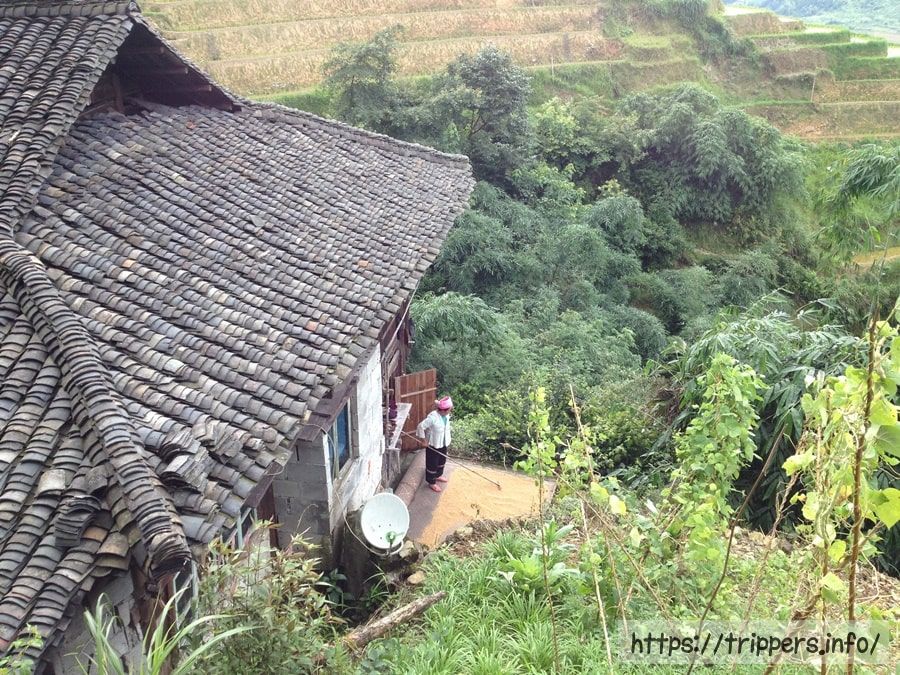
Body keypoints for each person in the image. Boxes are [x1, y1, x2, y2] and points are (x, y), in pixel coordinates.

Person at [416, 396, 453, 492]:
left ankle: (438, 475)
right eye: (450, 409)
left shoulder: (446, 415)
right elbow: (420, 427)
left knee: (441, 461)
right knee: (432, 463)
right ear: (444, 410)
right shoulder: (433, 418)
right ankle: (431, 482)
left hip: (443, 442)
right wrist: (424, 441)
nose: (451, 410)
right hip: (433, 444)